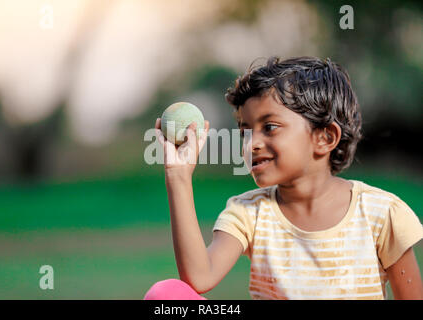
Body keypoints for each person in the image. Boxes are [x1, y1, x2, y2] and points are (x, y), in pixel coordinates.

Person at [144, 56, 423, 300]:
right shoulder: (249, 212)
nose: (251, 144)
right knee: (166, 296)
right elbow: (199, 277)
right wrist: (178, 176)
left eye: (270, 127)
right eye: (245, 131)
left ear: (325, 137)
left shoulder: (382, 214)